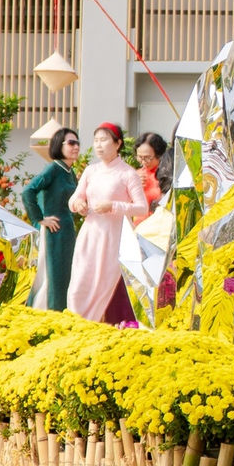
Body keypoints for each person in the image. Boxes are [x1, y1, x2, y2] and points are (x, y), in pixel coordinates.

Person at [66, 122, 149, 323]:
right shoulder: (91, 171)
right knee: (80, 282)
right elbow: (74, 198)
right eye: (96, 140)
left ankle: (107, 325)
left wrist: (114, 206)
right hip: (90, 234)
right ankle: (77, 324)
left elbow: (142, 207)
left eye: (104, 140)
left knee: (106, 283)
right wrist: (78, 203)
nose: (98, 145)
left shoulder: (127, 173)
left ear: (118, 143)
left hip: (115, 237)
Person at [22, 124, 81, 310]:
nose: (76, 147)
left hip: (67, 230)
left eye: (77, 143)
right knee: (51, 274)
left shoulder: (70, 173)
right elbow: (28, 191)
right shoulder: (53, 169)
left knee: (65, 274)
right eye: (71, 143)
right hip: (52, 231)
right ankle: (45, 312)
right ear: (58, 145)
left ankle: (62, 312)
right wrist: (40, 219)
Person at [134, 132, 169, 209]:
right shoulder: (137, 174)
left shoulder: (167, 175)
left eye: (147, 157)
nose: (143, 162)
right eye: (139, 157)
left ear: (159, 155)